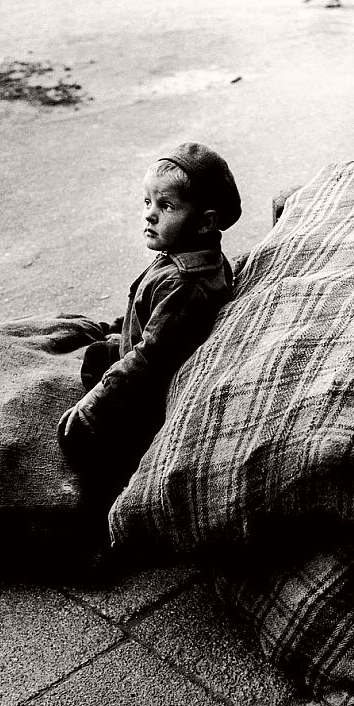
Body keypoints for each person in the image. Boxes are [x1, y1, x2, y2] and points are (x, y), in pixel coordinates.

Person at [58, 141, 241, 487]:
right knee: (95, 356)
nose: (149, 214)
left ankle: (110, 489)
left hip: (149, 395)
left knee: (75, 435)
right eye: (147, 202)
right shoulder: (184, 254)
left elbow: (150, 358)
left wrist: (94, 404)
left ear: (206, 222)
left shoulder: (186, 285)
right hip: (143, 351)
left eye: (166, 206)